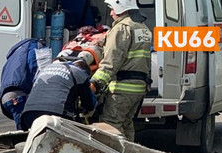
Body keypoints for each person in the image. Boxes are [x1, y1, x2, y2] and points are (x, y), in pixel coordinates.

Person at [90, 0, 152, 140]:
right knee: (126, 123)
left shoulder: (121, 28)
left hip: (122, 89)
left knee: (111, 125)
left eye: (112, 8)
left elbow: (111, 62)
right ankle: (131, 152)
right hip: (138, 88)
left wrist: (95, 83)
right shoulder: (142, 27)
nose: (111, 13)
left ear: (121, 8)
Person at [20, 52, 96, 130]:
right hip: (57, 115)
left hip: (28, 114)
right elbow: (89, 104)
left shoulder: (45, 69)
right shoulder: (80, 73)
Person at [0, 38, 41, 129]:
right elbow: (35, 71)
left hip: (6, 96)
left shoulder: (16, 54)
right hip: (17, 96)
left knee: (22, 129)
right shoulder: (34, 48)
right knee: (25, 131)